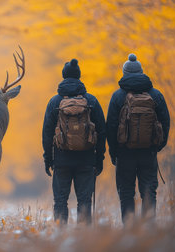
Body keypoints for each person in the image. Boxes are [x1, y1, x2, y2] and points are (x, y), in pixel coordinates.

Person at [106, 53, 170, 223]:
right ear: (142, 72)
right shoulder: (155, 95)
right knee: (149, 191)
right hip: (148, 152)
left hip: (124, 152)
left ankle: (130, 230)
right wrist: (157, 146)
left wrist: (114, 153)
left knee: (126, 192)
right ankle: (148, 229)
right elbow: (165, 122)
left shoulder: (117, 96)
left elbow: (110, 127)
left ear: (124, 73)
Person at [42, 59, 106, 225]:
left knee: (60, 200)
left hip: (61, 160)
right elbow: (102, 131)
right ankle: (84, 239)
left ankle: (60, 236)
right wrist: (99, 159)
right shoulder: (91, 100)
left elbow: (47, 133)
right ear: (79, 76)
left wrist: (48, 159)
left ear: (63, 76)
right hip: (86, 160)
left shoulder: (54, 102)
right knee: (84, 201)